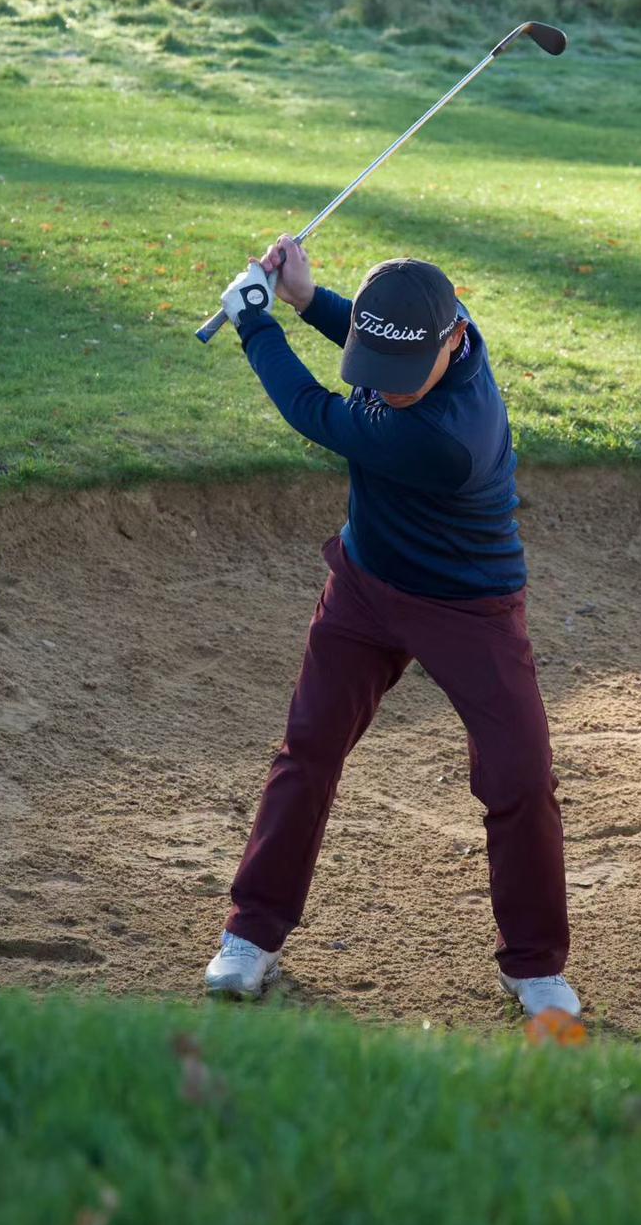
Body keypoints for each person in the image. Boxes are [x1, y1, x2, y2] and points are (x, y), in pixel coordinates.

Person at [204, 237, 578, 1022]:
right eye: (378, 363)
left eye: (405, 371)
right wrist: (308, 299)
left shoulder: (446, 438)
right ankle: (252, 932)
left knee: (520, 778)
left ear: (456, 339)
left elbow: (313, 411)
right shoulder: (434, 332)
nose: (389, 387)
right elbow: (370, 335)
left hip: (469, 606)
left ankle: (535, 966)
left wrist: (256, 323)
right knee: (308, 748)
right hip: (366, 585)